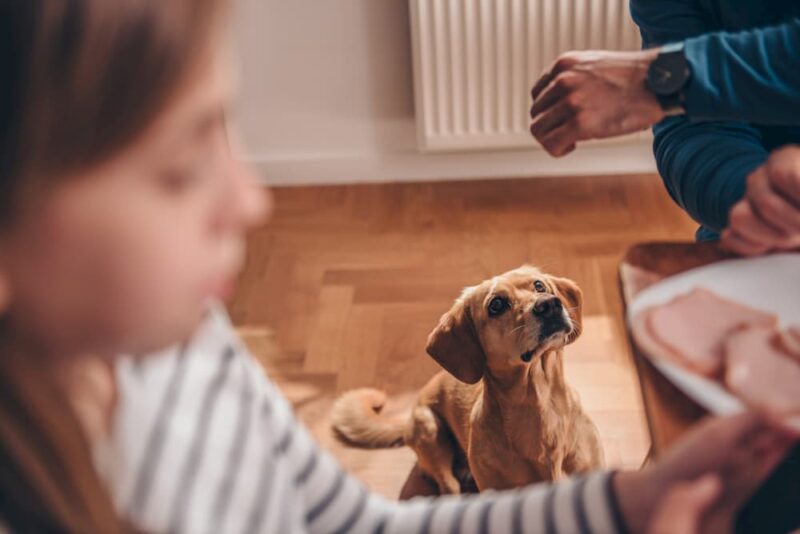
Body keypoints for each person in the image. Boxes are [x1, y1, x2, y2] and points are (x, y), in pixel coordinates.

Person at [0, 1, 795, 532]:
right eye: (177, 168)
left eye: (228, 131)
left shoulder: (191, 346)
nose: (252, 201)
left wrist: (624, 501)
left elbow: (344, 522)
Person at [528, 1, 800, 256]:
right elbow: (690, 129)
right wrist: (756, 199)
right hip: (758, 237)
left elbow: (673, 91)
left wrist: (666, 77)